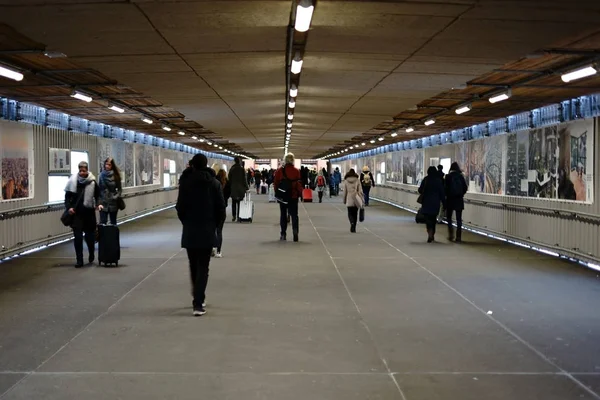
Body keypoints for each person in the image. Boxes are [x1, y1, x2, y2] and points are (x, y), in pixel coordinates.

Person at [176, 153, 225, 316]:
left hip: (190, 229)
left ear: (193, 165)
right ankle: (198, 302)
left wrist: (186, 222)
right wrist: (215, 226)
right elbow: (221, 209)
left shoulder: (185, 183)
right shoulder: (214, 183)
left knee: (193, 264)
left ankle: (197, 295)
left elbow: (180, 207)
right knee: (204, 266)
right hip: (207, 229)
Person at [65, 161, 100, 268]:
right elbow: (67, 198)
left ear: (87, 170)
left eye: (84, 171)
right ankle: (79, 260)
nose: (82, 173)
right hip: (77, 215)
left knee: (90, 238)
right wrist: (69, 207)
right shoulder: (73, 181)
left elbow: (98, 195)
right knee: (78, 238)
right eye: (80, 171)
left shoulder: (92, 182)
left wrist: (98, 204)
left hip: (89, 214)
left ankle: (91, 253)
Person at [274, 153, 303, 242]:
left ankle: (283, 234)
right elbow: (299, 184)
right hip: (293, 196)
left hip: (283, 196)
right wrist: (300, 194)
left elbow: (276, 184)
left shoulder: (279, 171)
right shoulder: (296, 171)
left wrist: (277, 194)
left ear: (285, 160)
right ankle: (295, 231)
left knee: (283, 214)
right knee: (294, 215)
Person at [418, 166, 446, 243]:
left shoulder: (426, 180)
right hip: (435, 202)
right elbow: (442, 193)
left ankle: (429, 233)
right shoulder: (438, 181)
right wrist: (444, 202)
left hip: (426, 202)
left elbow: (420, 190)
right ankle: (432, 234)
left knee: (428, 219)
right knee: (433, 219)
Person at [444, 162, 468, 242]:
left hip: (450, 200)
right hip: (459, 200)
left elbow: (445, 188)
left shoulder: (448, 177)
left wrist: (447, 196)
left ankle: (451, 235)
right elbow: (465, 188)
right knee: (459, 219)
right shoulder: (461, 177)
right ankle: (458, 237)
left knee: (449, 218)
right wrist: (461, 194)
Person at [98, 157, 122, 225]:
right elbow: (99, 190)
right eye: (106, 164)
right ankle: (103, 236)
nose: (107, 166)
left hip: (113, 202)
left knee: (113, 222)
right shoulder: (101, 175)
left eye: (109, 164)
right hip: (103, 202)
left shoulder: (116, 176)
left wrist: (115, 197)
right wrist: (99, 203)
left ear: (112, 166)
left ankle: (113, 236)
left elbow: (120, 190)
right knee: (103, 222)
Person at [213, 167, 229, 258]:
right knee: (219, 231)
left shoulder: (214, 183)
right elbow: (228, 193)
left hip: (213, 209)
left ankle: (212, 248)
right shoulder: (227, 182)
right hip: (222, 209)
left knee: (212, 230)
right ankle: (218, 251)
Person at [228, 157, 248, 222]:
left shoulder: (232, 169)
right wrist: (246, 187)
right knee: (240, 203)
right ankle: (239, 216)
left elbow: (229, 178)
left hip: (233, 188)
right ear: (239, 161)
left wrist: (231, 185)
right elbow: (244, 179)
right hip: (241, 188)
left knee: (233, 203)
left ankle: (234, 216)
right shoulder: (242, 169)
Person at [343, 169, 363, 233]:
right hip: (356, 198)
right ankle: (354, 226)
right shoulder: (357, 180)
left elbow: (345, 192)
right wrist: (361, 199)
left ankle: (351, 223)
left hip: (349, 198)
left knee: (350, 213)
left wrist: (344, 200)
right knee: (355, 214)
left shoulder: (346, 181)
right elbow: (360, 191)